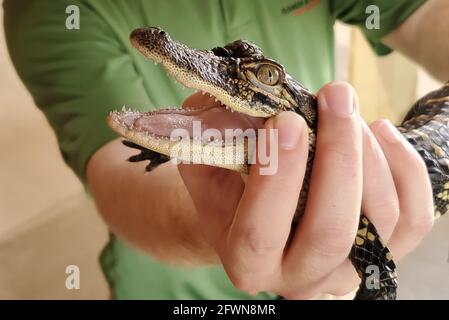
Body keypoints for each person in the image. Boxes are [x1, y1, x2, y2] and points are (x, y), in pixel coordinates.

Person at [4, 0, 448, 299]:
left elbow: (428, 16)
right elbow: (116, 171)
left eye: (264, 77)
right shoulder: (49, 11)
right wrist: (230, 209)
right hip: (169, 289)